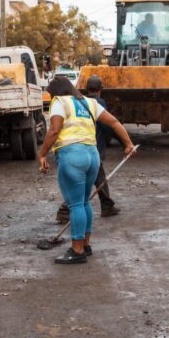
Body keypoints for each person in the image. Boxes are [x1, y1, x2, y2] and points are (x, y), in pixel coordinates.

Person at [38, 76, 135, 264]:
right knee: (84, 203)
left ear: (56, 92)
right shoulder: (89, 103)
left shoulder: (60, 102)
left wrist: (42, 154)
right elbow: (114, 122)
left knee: (75, 205)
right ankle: (85, 244)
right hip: (92, 156)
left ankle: (77, 250)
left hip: (72, 156)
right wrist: (128, 143)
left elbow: (54, 130)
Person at [55, 76, 119, 225]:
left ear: (86, 88)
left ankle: (107, 205)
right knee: (83, 183)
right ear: (101, 89)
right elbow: (108, 125)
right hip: (93, 148)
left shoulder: (79, 101)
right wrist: (113, 141)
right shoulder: (98, 103)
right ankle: (65, 211)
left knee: (96, 178)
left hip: (79, 146)